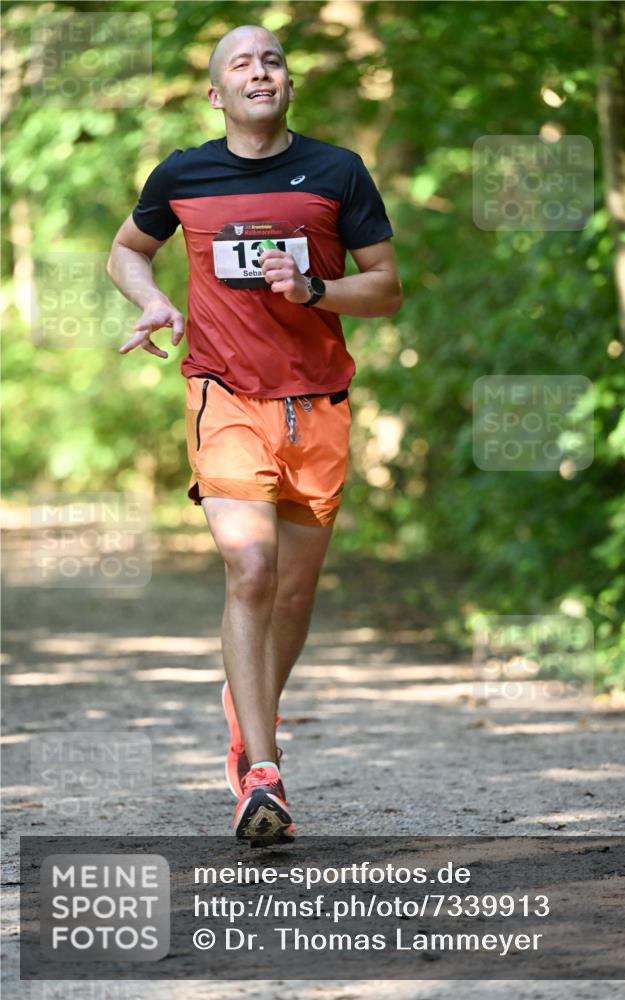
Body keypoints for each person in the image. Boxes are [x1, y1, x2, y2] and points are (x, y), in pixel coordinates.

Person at [107, 23, 402, 845]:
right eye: (240, 61)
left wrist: (313, 289)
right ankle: (262, 775)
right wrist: (153, 299)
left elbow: (384, 291)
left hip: (318, 403)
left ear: (287, 84)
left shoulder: (337, 171)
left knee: (296, 595)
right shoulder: (183, 173)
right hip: (223, 393)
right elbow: (126, 252)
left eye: (271, 58)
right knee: (251, 565)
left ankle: (247, 705)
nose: (259, 69)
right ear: (217, 93)